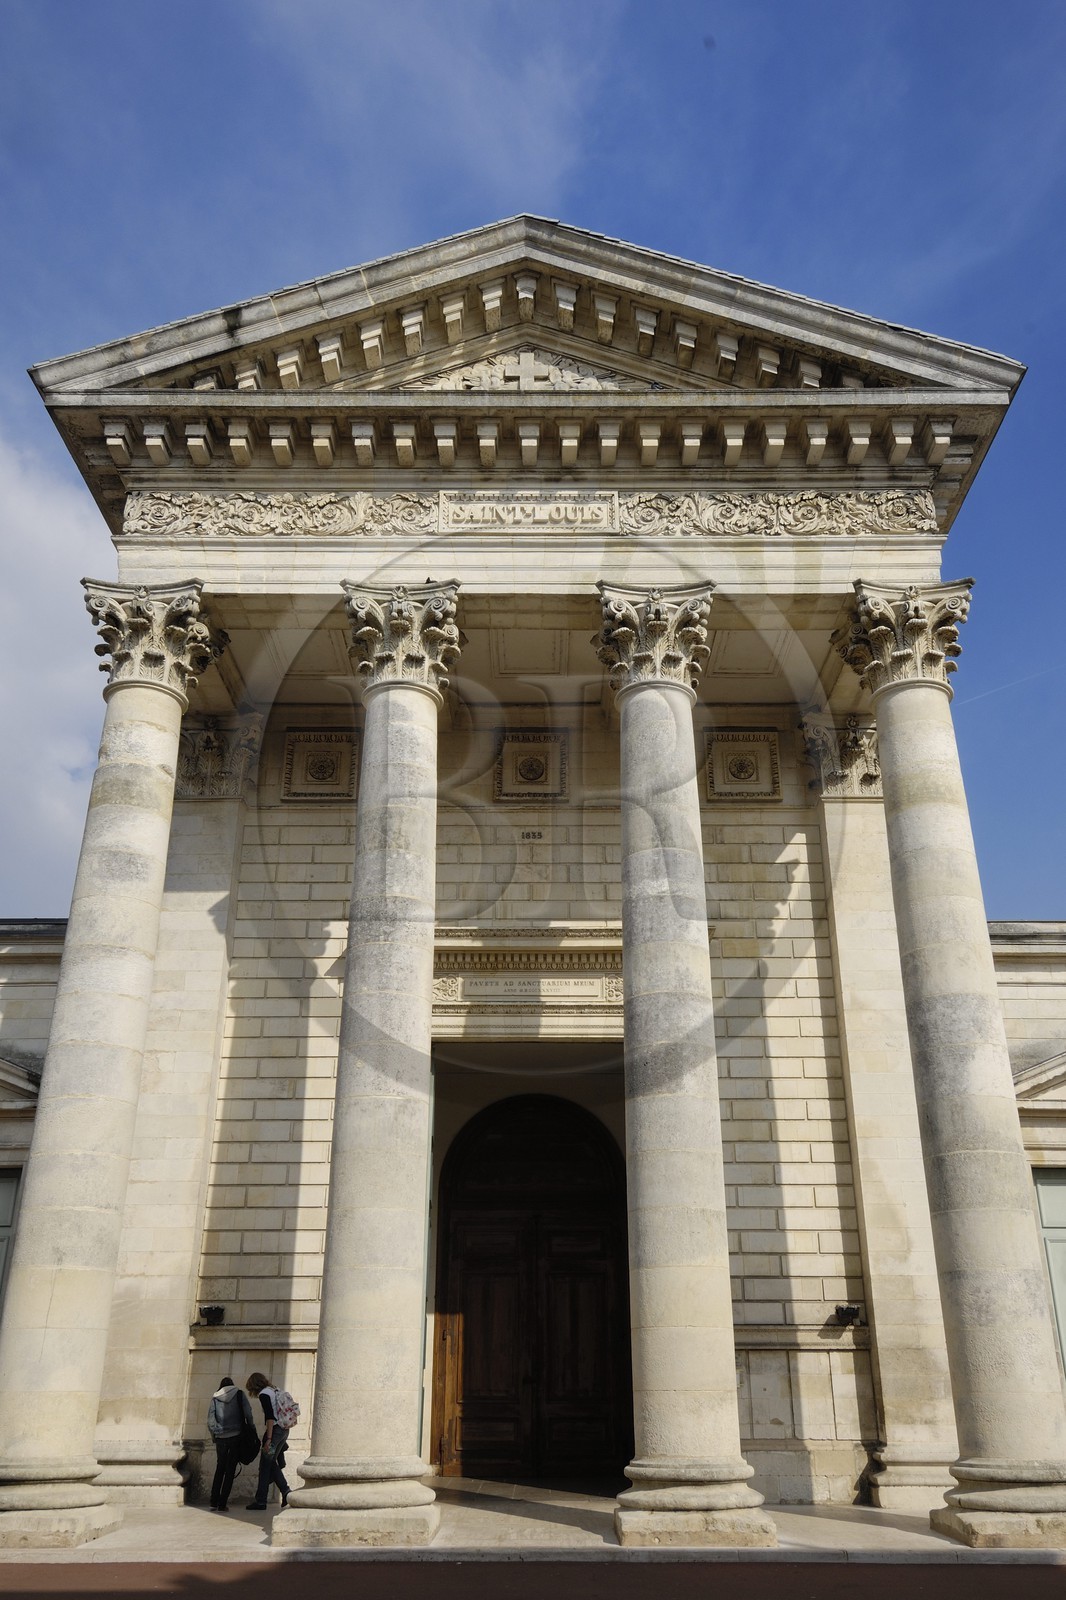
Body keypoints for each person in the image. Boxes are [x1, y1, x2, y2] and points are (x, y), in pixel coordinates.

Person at [206, 1374, 255, 1513]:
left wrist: (215, 1436)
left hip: (220, 1437)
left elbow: (210, 1421)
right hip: (236, 1436)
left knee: (220, 1468)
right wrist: (251, 1429)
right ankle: (222, 1504)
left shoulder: (215, 1397)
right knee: (230, 1470)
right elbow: (248, 1414)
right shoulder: (239, 1394)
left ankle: (213, 1502)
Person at [244, 1371, 291, 1510]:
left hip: (275, 1432)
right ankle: (274, 1495)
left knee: (266, 1464)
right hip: (283, 1430)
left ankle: (268, 1498)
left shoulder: (264, 1395)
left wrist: (269, 1438)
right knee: (269, 1463)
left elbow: (270, 1417)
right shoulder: (273, 1390)